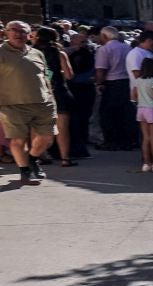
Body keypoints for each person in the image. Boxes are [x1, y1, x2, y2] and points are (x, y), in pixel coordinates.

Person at [0, 21, 57, 184]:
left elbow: (47, 73)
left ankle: (32, 159)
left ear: (30, 35)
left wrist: (49, 89)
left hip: (43, 102)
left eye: (23, 31)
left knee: (47, 137)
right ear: (6, 32)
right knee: (19, 140)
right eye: (14, 31)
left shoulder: (37, 53)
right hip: (12, 105)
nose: (19, 34)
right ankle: (25, 172)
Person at [33, 26, 77, 166]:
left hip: (38, 92)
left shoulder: (30, 53)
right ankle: (65, 158)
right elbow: (69, 75)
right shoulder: (60, 53)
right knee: (62, 127)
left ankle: (40, 155)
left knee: (37, 126)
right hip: (58, 90)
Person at [96, 26, 134, 150]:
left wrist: (99, 83)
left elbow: (101, 69)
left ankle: (111, 141)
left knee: (108, 114)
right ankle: (126, 140)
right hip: (126, 81)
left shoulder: (104, 49)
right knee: (125, 113)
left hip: (112, 83)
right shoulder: (127, 47)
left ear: (104, 36)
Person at [64, 27, 95, 162]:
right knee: (75, 120)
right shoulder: (65, 54)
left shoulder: (88, 53)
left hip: (83, 89)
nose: (84, 44)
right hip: (72, 89)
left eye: (84, 41)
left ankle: (80, 145)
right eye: (81, 42)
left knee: (82, 118)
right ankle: (76, 147)